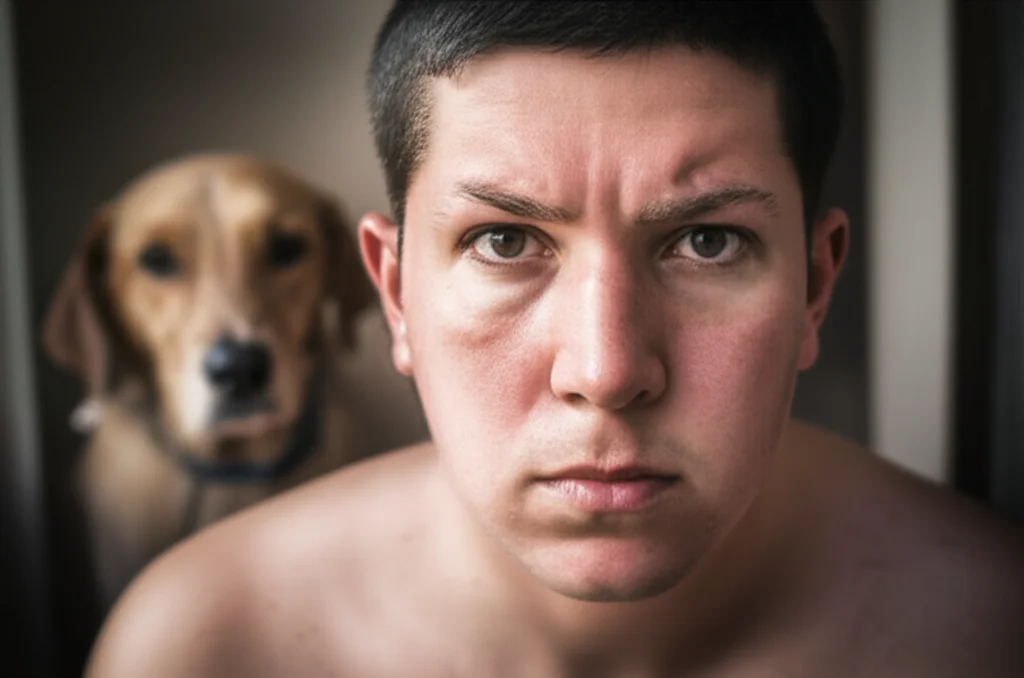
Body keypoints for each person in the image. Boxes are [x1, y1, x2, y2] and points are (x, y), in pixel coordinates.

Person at [86, 2, 1024, 676]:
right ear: (394, 294)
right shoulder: (202, 645)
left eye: (707, 241)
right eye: (504, 242)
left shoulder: (987, 630)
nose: (606, 370)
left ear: (817, 285)